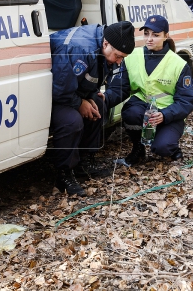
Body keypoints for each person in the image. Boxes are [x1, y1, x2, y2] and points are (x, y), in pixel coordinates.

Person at [49, 21, 135, 196]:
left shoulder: (102, 45)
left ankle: (84, 162)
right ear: (105, 44)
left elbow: (89, 77)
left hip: (70, 90)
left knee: (99, 105)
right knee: (71, 122)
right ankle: (64, 173)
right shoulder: (80, 50)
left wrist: (90, 96)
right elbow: (59, 90)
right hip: (52, 96)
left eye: (122, 59)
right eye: (118, 57)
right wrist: (80, 104)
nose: (119, 62)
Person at [117, 15, 193, 165]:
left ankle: (171, 148)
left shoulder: (178, 64)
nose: (149, 39)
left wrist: (164, 115)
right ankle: (138, 150)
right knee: (130, 113)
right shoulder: (132, 56)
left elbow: (187, 101)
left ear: (166, 36)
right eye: (146, 34)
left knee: (162, 148)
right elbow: (120, 87)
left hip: (169, 112)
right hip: (142, 106)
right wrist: (105, 99)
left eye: (155, 35)